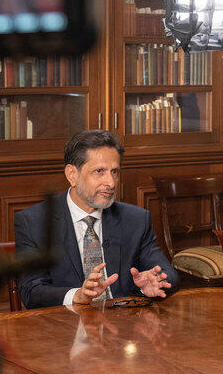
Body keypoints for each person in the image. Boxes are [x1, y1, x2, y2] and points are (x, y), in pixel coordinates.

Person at [14, 130, 178, 308]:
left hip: (124, 327)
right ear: (72, 175)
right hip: (65, 327)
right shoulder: (33, 222)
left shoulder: (136, 219)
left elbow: (168, 274)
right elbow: (32, 291)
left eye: (114, 171)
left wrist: (153, 283)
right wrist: (77, 295)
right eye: (100, 171)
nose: (111, 182)